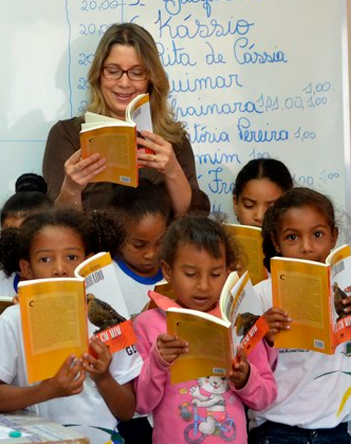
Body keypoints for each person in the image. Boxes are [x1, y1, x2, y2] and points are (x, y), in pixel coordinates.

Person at [0, 208, 140, 443]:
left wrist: (103, 378)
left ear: (88, 262)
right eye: (45, 259)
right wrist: (48, 390)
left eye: (72, 257)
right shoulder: (14, 319)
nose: (60, 268)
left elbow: (126, 411)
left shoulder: (112, 319)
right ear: (27, 269)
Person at [133, 215, 276, 444]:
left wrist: (246, 378)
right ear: (167, 271)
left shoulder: (240, 320)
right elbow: (141, 404)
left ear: (228, 271)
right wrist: (158, 362)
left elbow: (265, 397)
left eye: (215, 274)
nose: (203, 285)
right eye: (190, 274)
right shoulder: (148, 324)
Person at [42, 22, 209, 217]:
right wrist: (71, 188)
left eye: (137, 73)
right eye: (113, 71)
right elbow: (57, 226)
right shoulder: (66, 135)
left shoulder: (172, 141)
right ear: (99, 76)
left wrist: (172, 170)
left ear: (151, 79)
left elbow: (194, 221)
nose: (124, 83)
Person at [251, 188, 351, 443]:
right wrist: (266, 338)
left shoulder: (346, 290)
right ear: (276, 242)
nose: (306, 247)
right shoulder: (261, 296)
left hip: (334, 429)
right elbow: (244, 369)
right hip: (276, 428)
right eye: (292, 237)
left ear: (333, 237)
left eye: (317, 234)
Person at [108, 180, 172, 316]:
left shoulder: (174, 272)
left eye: (160, 242)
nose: (151, 254)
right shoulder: (110, 278)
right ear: (117, 237)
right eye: (139, 245)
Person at [0, 173, 53, 297]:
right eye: (11, 235)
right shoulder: (1, 280)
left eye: (27, 234)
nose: (18, 243)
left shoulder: (61, 274)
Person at [232, 158, 293, 228]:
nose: (260, 217)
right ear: (236, 204)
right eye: (249, 205)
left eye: (271, 208)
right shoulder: (221, 238)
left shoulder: (303, 238)